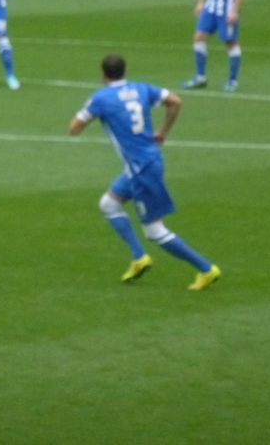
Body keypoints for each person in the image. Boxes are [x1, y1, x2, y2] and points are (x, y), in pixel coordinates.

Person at [69, 54, 221, 290]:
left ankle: (206, 269)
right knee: (108, 204)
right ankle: (139, 258)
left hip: (141, 169)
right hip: (143, 165)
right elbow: (175, 101)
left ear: (103, 73)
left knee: (154, 230)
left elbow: (74, 128)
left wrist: (92, 111)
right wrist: (163, 132)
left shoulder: (101, 98)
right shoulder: (142, 89)